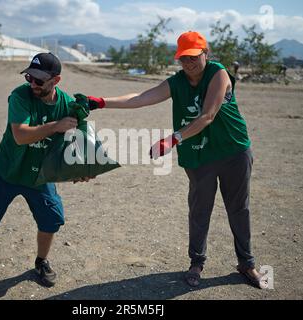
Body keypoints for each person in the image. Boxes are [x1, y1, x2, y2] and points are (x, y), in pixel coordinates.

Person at [77, 31, 268, 289]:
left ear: (205, 53)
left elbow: (208, 115)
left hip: (233, 150)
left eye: (193, 57)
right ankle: (196, 262)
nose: (188, 63)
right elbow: (141, 98)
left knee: (238, 208)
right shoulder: (177, 82)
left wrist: (173, 139)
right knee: (200, 210)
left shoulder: (218, 73)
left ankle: (246, 263)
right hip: (199, 155)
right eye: (183, 58)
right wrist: (100, 102)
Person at [0, 52, 93, 288]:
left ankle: (41, 261)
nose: (32, 84)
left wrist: (81, 169)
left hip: (40, 175)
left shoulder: (68, 104)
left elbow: (73, 142)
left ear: (55, 80)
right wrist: (55, 126)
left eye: (39, 80)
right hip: (8, 169)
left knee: (50, 220)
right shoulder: (20, 95)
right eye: (29, 77)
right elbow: (20, 135)